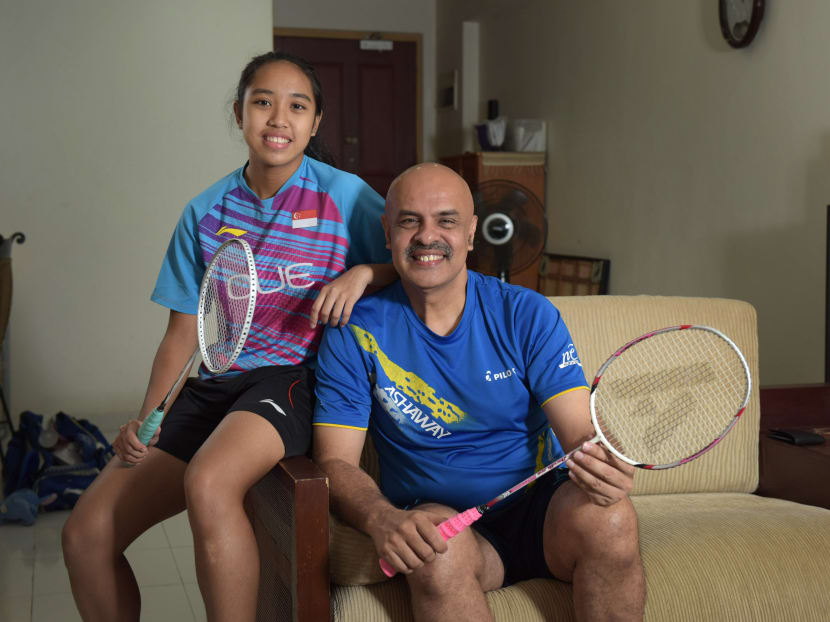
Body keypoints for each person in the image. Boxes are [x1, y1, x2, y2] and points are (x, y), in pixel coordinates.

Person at [62, 51, 395, 622]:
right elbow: (182, 333)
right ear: (238, 113)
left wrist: (366, 272)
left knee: (209, 482)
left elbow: (413, 265)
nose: (278, 119)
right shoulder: (205, 211)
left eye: (298, 106)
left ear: (315, 124)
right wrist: (149, 421)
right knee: (85, 534)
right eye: (263, 102)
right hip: (216, 384)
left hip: (295, 379)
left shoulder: (346, 196)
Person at [313, 163, 646, 621]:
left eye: (446, 220)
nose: (427, 236)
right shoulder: (354, 329)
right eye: (410, 221)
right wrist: (381, 518)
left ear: (471, 234)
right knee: (438, 549)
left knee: (612, 517)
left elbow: (578, 432)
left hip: (543, 514)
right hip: (444, 519)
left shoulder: (526, 314)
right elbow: (334, 461)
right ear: (387, 233)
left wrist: (604, 464)